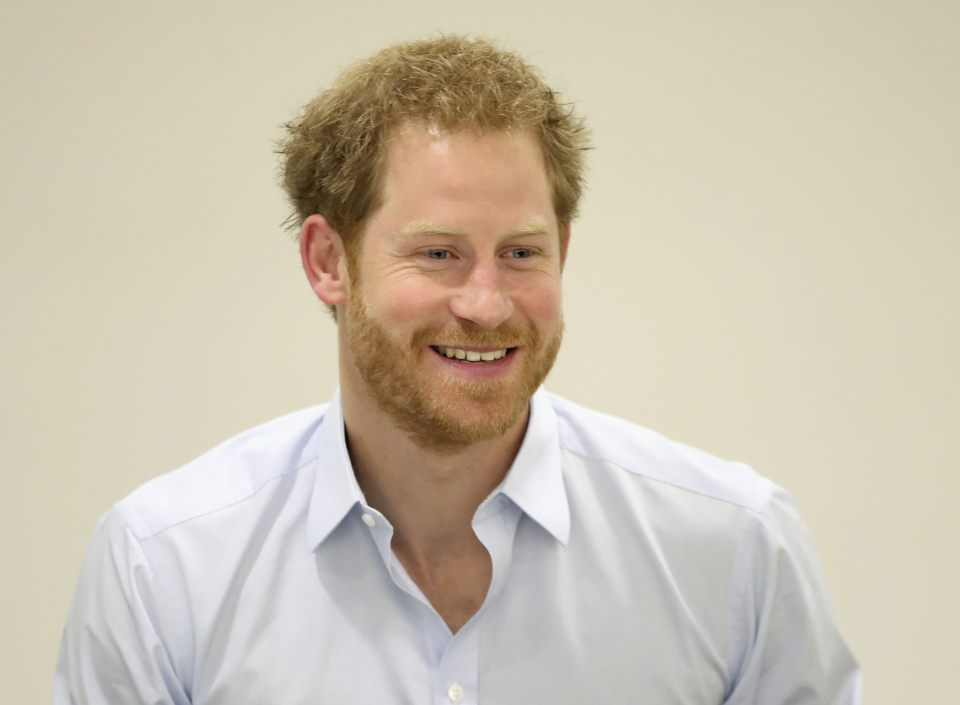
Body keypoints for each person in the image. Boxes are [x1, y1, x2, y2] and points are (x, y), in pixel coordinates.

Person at [54, 36, 860, 704]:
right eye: (439, 253)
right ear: (328, 260)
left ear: (565, 251)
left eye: (521, 253)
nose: (486, 302)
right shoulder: (165, 568)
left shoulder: (735, 551)